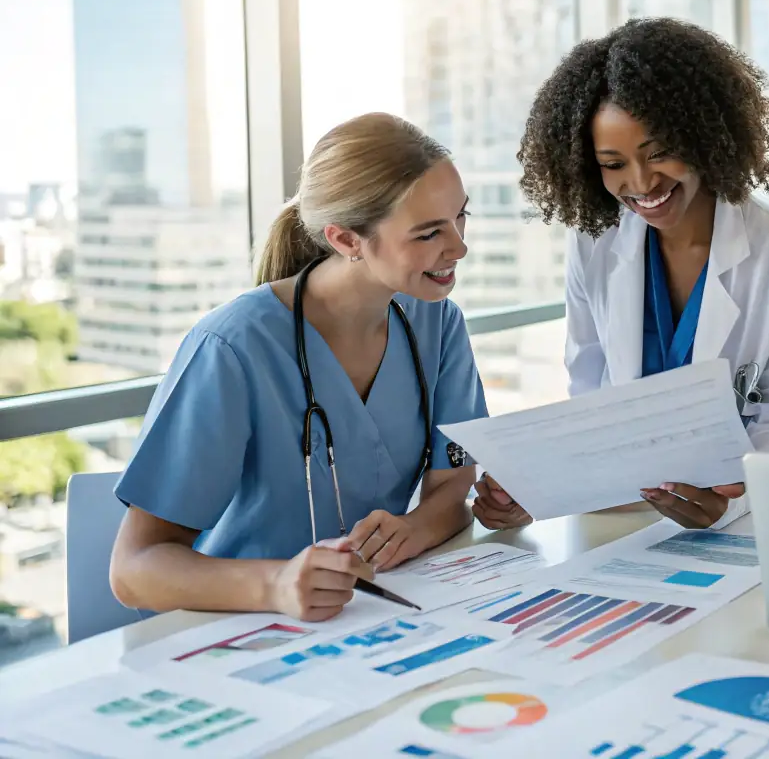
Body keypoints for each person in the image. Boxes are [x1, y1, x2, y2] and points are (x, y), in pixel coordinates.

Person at [110, 113, 488, 622]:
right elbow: (134, 570)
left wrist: (414, 528)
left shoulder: (437, 322)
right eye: (428, 234)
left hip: (373, 617)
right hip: (238, 627)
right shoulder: (232, 347)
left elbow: (452, 487)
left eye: (460, 217)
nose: (459, 246)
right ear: (347, 240)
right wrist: (276, 584)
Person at [473, 17, 769, 532]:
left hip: (735, 513)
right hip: (617, 511)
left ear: (705, 137)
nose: (641, 183)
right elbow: (590, 396)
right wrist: (535, 489)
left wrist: (733, 499)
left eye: (659, 153)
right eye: (612, 163)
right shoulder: (594, 243)